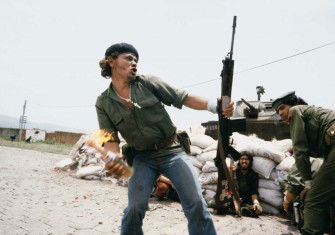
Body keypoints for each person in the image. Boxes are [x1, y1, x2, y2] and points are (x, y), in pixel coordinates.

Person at [95, 42, 234, 235]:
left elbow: (182, 97)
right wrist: (113, 159)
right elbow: (109, 137)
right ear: (111, 61)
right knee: (135, 209)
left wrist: (214, 105)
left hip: (172, 152)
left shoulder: (148, 83)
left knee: (195, 203)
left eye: (136, 60)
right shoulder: (103, 102)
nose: (134, 63)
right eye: (128, 58)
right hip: (142, 158)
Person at [273, 91, 335, 235]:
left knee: (313, 200)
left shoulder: (296, 111)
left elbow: (300, 151)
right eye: (277, 111)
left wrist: (308, 184)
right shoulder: (313, 115)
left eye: (282, 108)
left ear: (293, 104)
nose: (280, 113)